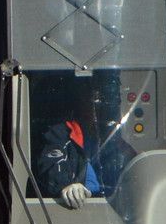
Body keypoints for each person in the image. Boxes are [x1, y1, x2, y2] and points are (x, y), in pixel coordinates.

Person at [33, 72, 138, 208]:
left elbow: (136, 173)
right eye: (95, 100)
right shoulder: (61, 134)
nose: (100, 108)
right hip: (80, 213)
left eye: (107, 101)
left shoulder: (113, 142)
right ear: (80, 101)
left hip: (114, 212)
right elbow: (51, 164)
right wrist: (66, 186)